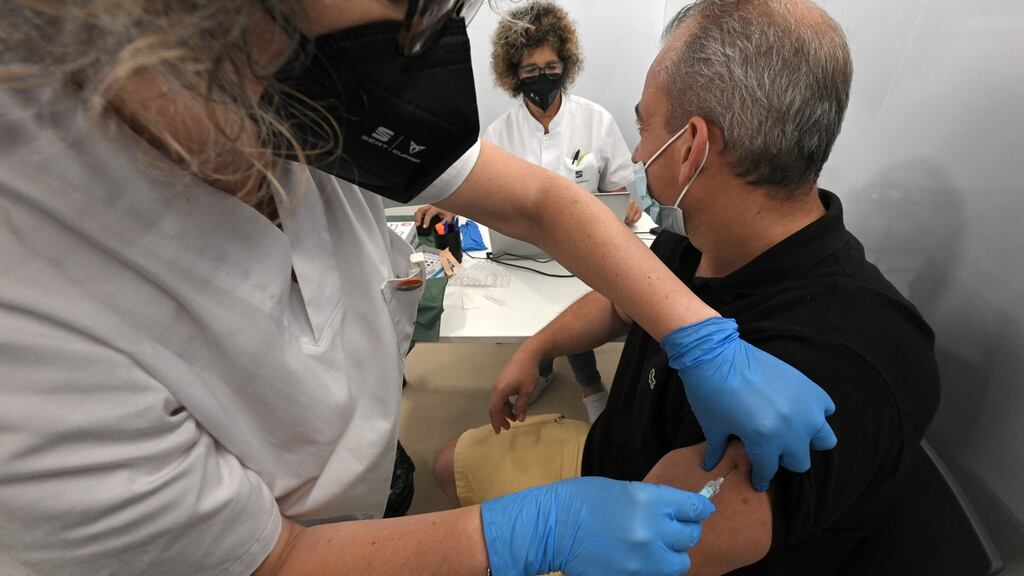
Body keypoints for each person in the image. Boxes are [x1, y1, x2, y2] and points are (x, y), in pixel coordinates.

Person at [0, 1, 834, 574]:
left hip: (358, 476)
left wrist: (698, 333)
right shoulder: (32, 300)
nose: (425, 40)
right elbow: (273, 559)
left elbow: (542, 198)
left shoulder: (299, 93)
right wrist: (533, 534)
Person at [435, 0, 941, 574]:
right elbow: (624, 298)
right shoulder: (701, 238)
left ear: (693, 144)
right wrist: (537, 346)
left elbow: (649, 544)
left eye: (646, 124)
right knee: (449, 461)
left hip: (626, 521)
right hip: (606, 454)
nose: (635, 152)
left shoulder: (846, 354)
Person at [421, 1, 636, 419]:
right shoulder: (500, 133)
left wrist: (625, 204)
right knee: (534, 309)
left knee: (576, 301)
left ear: (566, 64)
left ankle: (589, 383)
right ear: (514, 73)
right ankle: (540, 370)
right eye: (530, 69)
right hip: (524, 255)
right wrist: (448, 203)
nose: (542, 77)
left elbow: (621, 190)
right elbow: (477, 189)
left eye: (550, 66)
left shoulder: (597, 122)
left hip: (585, 254)